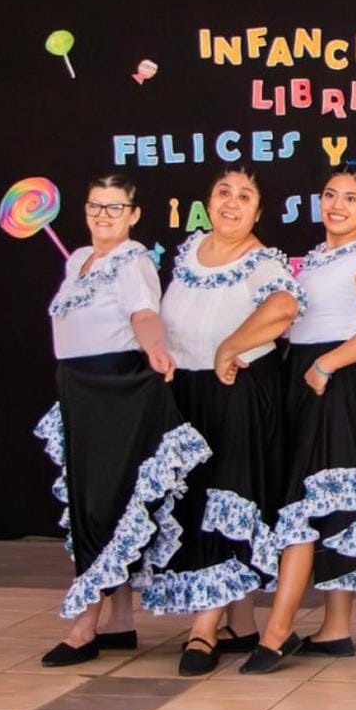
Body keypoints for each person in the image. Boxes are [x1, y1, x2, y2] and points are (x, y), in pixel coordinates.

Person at [37, 174, 210, 667]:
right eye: (96, 206)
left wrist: (156, 349)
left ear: (133, 214)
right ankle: (119, 620)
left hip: (117, 389)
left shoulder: (133, 260)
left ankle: (84, 626)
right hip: (79, 390)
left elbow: (144, 315)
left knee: (104, 504)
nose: (103, 216)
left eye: (115, 207)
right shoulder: (76, 259)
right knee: (86, 499)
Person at [240, 163, 356, 675]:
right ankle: (335, 629)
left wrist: (327, 364)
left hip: (336, 380)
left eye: (350, 198)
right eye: (330, 194)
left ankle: (277, 632)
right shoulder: (315, 259)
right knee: (327, 506)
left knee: (306, 505)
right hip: (306, 379)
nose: (336, 205)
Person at [141, 162, 303, 676]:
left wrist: (230, 346)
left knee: (223, 501)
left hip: (236, 391)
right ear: (208, 201)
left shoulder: (261, 261)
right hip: (185, 393)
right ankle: (241, 623)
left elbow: (284, 308)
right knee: (192, 503)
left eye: (244, 195)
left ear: (259, 210)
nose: (231, 202)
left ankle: (203, 632)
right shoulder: (190, 250)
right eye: (223, 191)